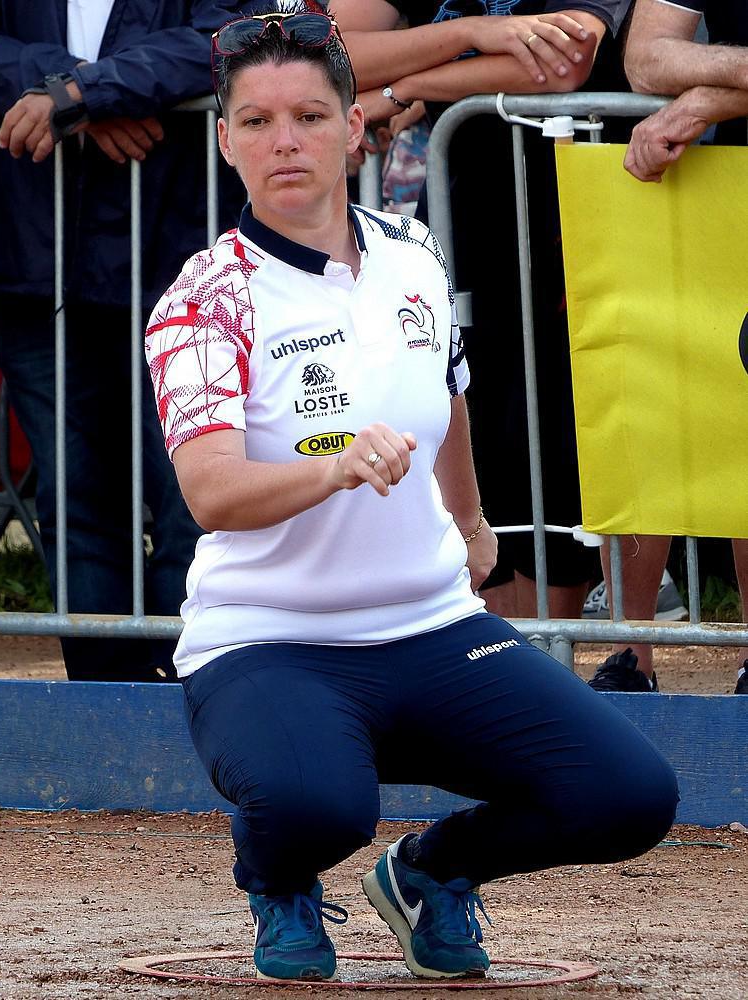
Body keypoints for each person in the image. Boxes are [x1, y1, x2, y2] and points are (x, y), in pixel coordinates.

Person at [146, 4, 678, 982]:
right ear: (224, 141)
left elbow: (449, 393)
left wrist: (472, 524)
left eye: (308, 115)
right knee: (319, 806)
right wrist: (331, 468)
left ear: (355, 129)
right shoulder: (201, 298)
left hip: (429, 631)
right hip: (269, 640)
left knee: (629, 793)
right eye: (255, 121)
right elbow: (212, 491)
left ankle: (432, 874)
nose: (284, 141)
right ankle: (279, 879)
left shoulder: (410, 258)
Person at [0, 0, 252, 681]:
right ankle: (102, 704)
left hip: (179, 269)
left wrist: (82, 95)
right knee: (76, 501)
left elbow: (229, 39)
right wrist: (80, 95)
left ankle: (196, 697)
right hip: (39, 270)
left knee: (198, 498)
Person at [331, 0, 632, 624]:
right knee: (479, 423)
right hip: (468, 211)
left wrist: (408, 82)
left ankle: (559, 653)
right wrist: (472, 36)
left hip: (580, 210)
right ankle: (497, 642)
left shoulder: (414, 83)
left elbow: (564, 64)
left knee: (558, 433)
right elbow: (328, 50)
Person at [588, 0, 748, 695]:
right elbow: (647, 57)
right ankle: (632, 652)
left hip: (696, 165)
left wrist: (698, 99)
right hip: (698, 187)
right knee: (652, 389)